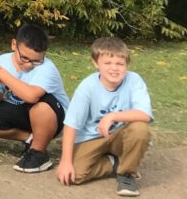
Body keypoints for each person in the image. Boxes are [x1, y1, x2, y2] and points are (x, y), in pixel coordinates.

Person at [56, 37, 152, 196]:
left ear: (126, 65)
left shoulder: (134, 80)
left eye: (120, 64)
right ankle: (113, 163)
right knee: (74, 175)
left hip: (119, 136)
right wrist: (65, 161)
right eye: (107, 63)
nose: (114, 68)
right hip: (90, 138)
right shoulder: (87, 87)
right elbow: (71, 125)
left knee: (140, 129)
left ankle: (127, 174)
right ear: (96, 63)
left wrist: (112, 116)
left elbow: (145, 114)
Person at [0, 23, 70, 174]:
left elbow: (31, 96)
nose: (29, 64)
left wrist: (4, 76)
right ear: (14, 45)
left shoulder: (47, 68)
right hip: (22, 110)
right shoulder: (2, 61)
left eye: (35, 60)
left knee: (41, 106)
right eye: (24, 58)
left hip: (53, 117)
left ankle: (39, 154)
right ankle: (30, 139)